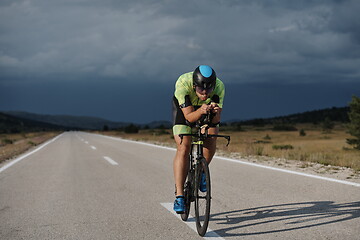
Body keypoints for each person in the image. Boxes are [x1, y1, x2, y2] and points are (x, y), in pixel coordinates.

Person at [172, 65, 225, 213]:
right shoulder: (183, 83)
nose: (205, 92)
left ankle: (201, 170)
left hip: (205, 110)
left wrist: (214, 114)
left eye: (208, 89)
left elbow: (216, 121)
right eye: (201, 89)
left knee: (212, 136)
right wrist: (201, 110)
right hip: (185, 111)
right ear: (194, 85)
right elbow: (189, 118)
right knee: (184, 146)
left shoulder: (220, 87)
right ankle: (180, 196)